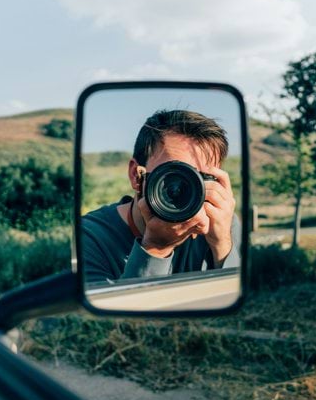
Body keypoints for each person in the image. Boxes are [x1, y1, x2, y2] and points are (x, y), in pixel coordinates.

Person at [82, 109, 241, 284]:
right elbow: (114, 311)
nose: (186, 188)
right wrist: (156, 247)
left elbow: (240, 304)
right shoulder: (88, 236)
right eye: (174, 174)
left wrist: (222, 245)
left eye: (201, 179)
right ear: (137, 176)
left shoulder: (222, 222)